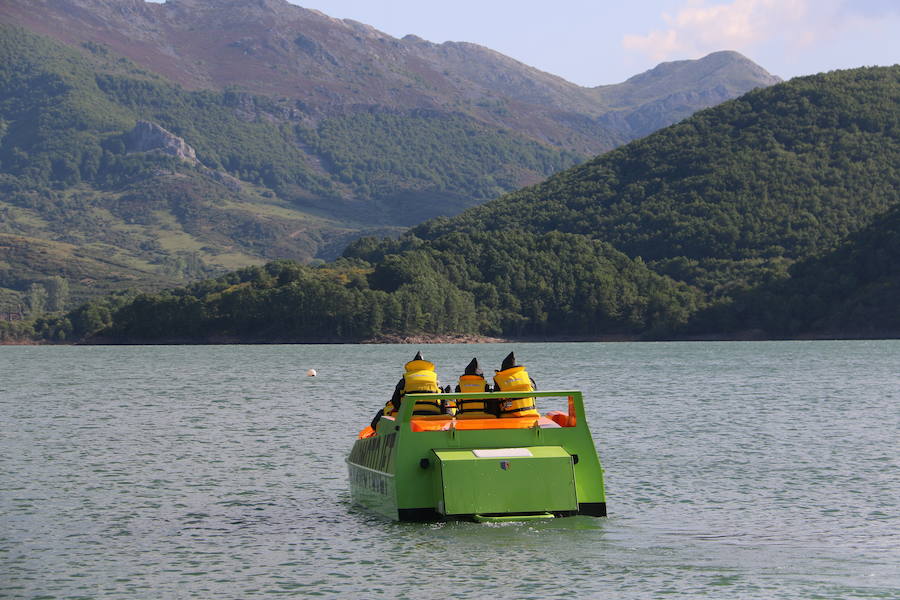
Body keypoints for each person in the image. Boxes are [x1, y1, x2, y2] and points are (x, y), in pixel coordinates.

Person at [370, 351, 442, 429]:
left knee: (380, 415)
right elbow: (443, 399)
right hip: (434, 414)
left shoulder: (405, 378)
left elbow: (395, 400)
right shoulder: (435, 379)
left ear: (411, 367)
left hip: (409, 415)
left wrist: (400, 411)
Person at [492, 351, 539, 418]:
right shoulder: (528, 379)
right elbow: (534, 396)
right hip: (531, 415)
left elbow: (495, 401)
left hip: (508, 417)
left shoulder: (500, 380)